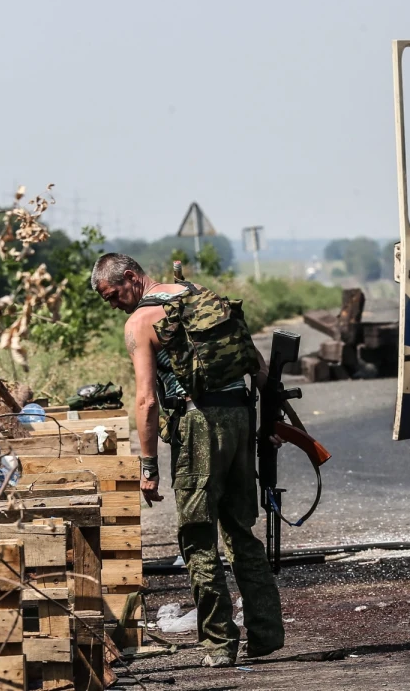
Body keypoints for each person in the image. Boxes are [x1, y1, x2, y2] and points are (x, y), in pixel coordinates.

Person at [90, 253, 284, 666]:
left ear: (130, 276)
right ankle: (266, 632)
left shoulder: (140, 323)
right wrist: (263, 424)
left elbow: (145, 401)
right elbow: (260, 367)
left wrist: (148, 465)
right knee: (240, 529)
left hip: (197, 424)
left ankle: (219, 643)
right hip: (239, 415)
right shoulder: (200, 294)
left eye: (113, 294)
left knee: (197, 535)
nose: (114, 304)